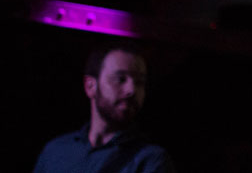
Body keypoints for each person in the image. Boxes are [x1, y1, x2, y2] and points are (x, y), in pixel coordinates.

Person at [32, 40, 175, 173]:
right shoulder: (55, 152)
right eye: (120, 79)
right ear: (90, 86)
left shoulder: (151, 160)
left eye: (139, 82)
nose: (131, 90)